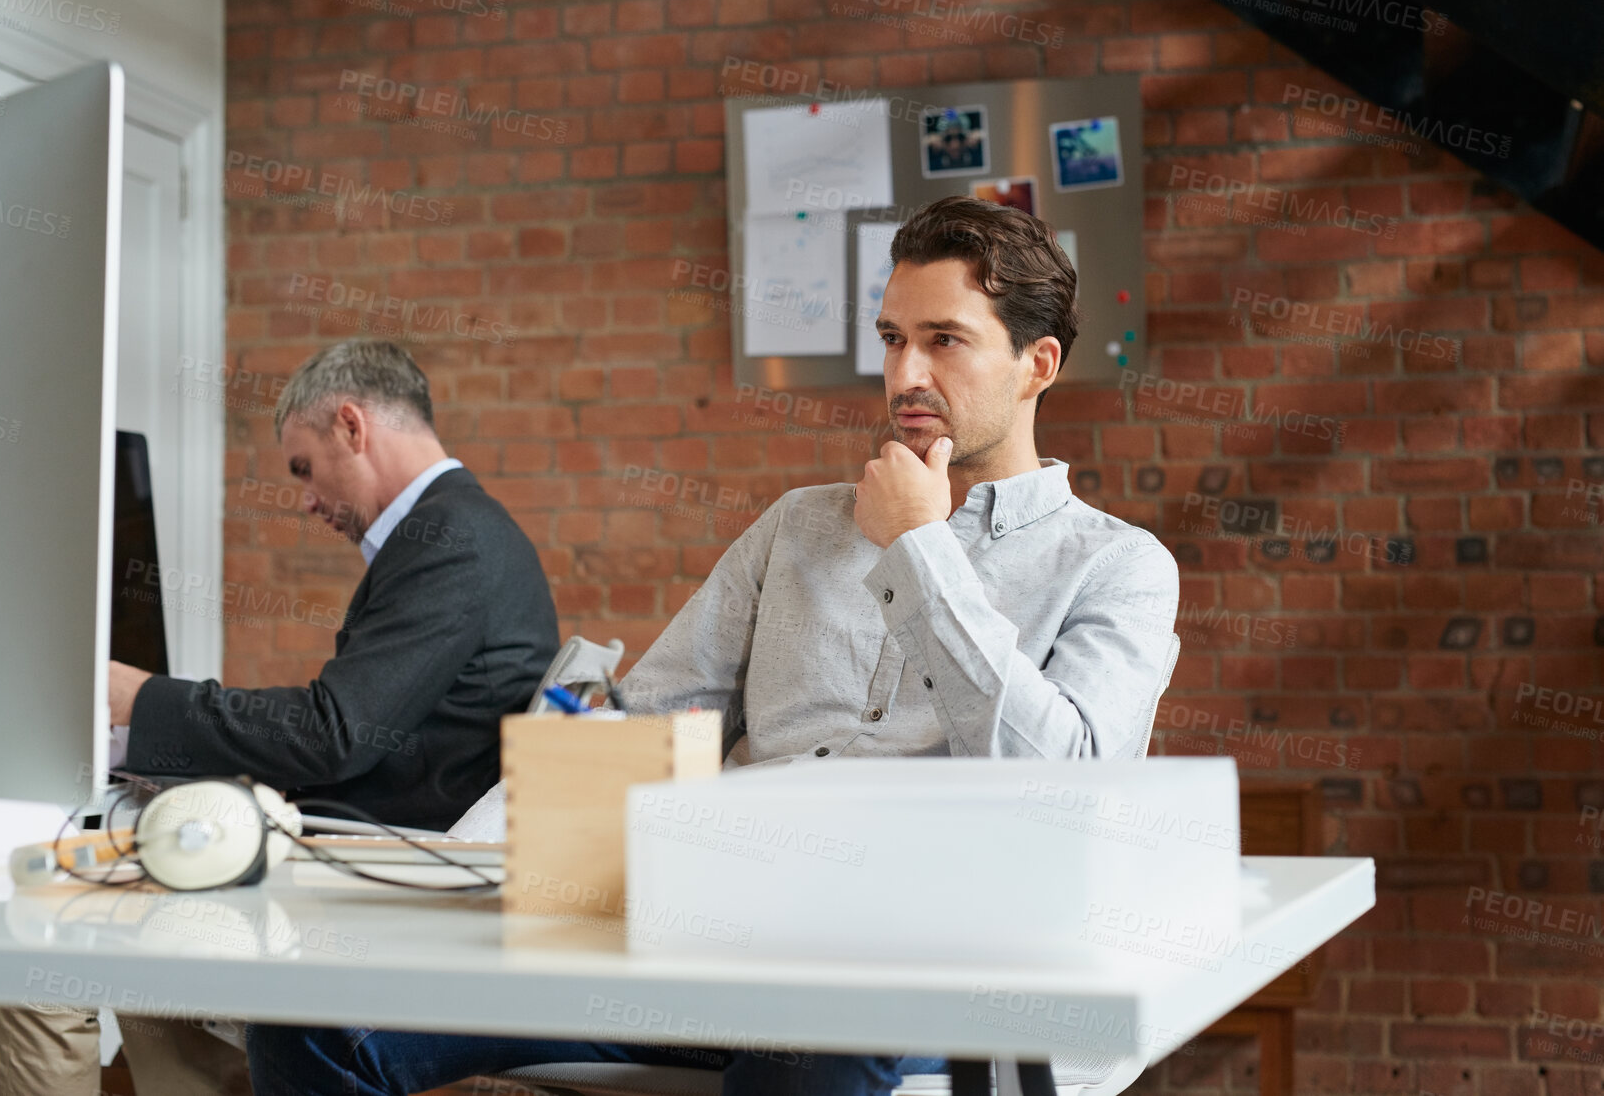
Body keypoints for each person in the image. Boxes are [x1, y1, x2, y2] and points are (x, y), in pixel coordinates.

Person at [245, 196, 1182, 1096]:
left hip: (916, 956)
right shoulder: (797, 526)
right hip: (716, 924)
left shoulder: (1116, 566)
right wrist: (455, 878)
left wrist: (918, 549)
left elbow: (1060, 790)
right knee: (314, 1013)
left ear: (1038, 364)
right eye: (893, 338)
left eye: (945, 340)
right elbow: (642, 720)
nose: (904, 376)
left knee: (818, 1019)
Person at [0, 339, 560, 1096]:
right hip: (371, 860)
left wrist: (138, 701)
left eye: (303, 468)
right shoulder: (457, 531)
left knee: (42, 927)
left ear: (352, 425)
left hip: (382, 883)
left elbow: (333, 733)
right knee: (146, 960)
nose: (306, 500)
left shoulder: (450, 539)